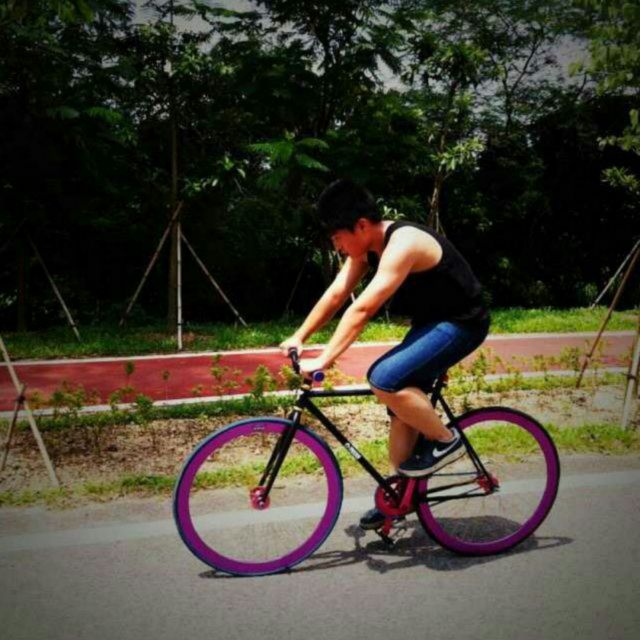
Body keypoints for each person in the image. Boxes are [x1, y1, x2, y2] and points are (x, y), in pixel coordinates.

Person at [279, 179, 490, 530]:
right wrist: (300, 336)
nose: (337, 246)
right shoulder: (367, 248)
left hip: (462, 323)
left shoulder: (403, 243)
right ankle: (399, 497)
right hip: (431, 324)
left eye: (337, 238)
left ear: (361, 225)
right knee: (399, 406)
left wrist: (324, 360)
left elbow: (362, 310)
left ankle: (445, 441)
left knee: (384, 378)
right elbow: (337, 294)